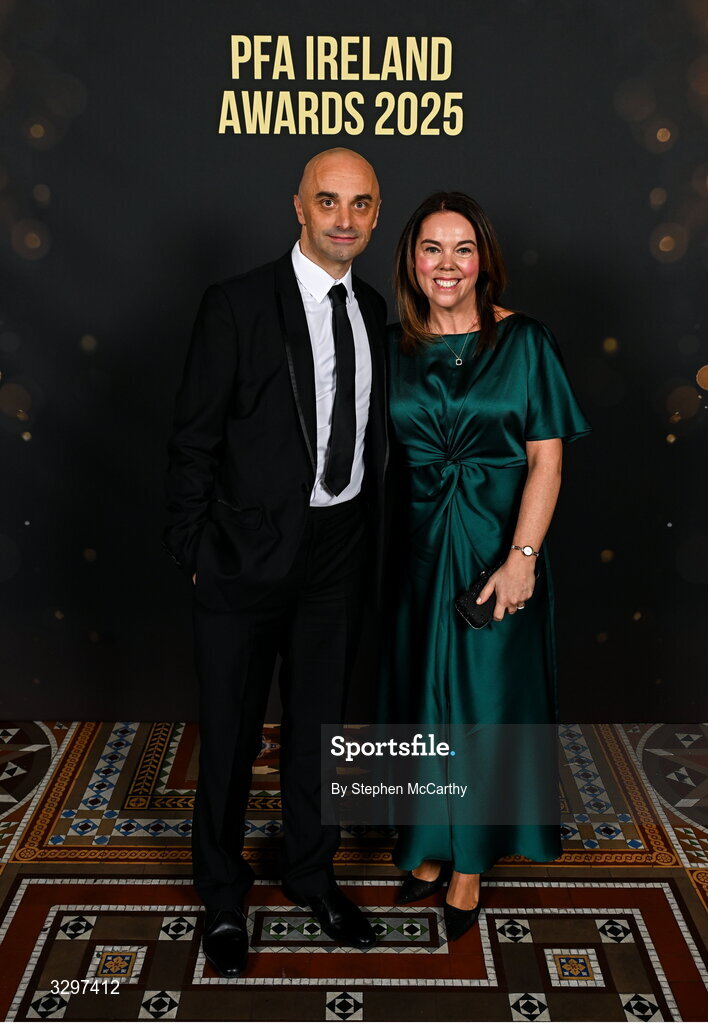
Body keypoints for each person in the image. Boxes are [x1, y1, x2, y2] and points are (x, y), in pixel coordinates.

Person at [162, 148, 388, 977]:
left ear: (374, 212)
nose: (343, 218)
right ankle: (222, 898)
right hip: (241, 558)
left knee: (318, 729)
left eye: (360, 204)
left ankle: (310, 875)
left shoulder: (369, 306)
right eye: (327, 201)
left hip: (337, 551)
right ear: (297, 206)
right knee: (227, 735)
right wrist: (194, 551)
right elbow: (193, 440)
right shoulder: (237, 304)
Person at [380, 191, 592, 942]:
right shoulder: (390, 345)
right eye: (432, 248)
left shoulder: (526, 341)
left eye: (462, 248)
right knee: (422, 704)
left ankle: (470, 862)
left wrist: (523, 559)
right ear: (411, 259)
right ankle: (430, 846)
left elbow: (548, 461)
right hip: (416, 557)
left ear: (484, 260)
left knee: (486, 710)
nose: (447, 264)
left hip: (497, 554)